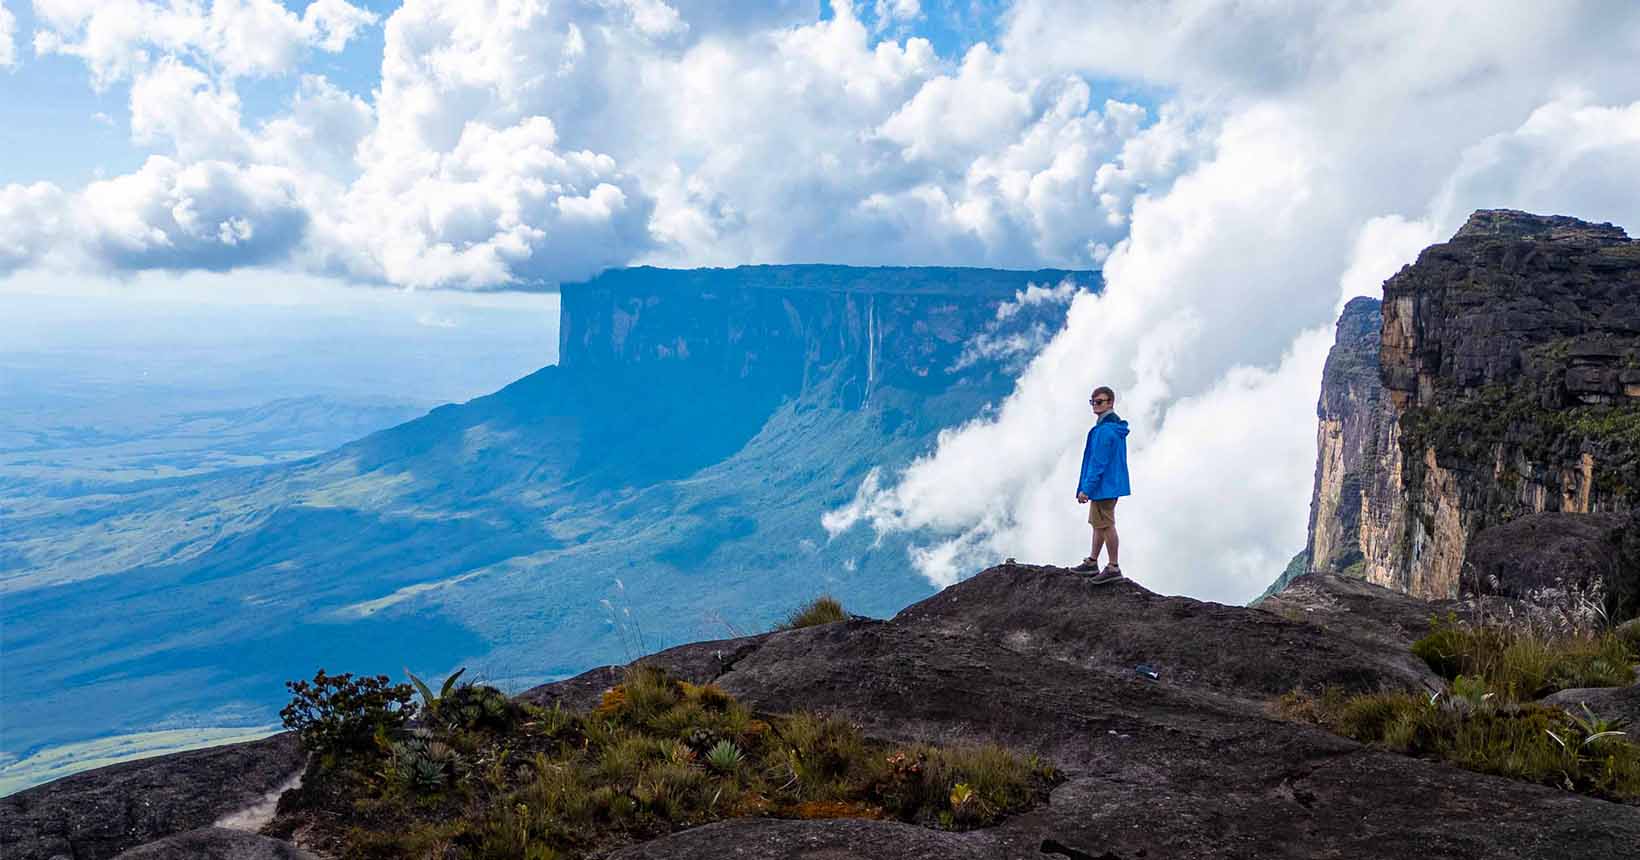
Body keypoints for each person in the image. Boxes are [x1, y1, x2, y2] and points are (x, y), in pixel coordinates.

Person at [1074, 386, 1130, 582]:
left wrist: (1086, 489)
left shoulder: (1105, 431)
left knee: (1106, 525)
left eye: (1099, 402)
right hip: (1109, 485)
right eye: (1093, 402)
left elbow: (1098, 463)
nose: (1095, 406)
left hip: (1103, 487)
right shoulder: (1113, 429)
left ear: (1110, 402)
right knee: (1098, 525)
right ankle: (1092, 562)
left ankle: (1113, 567)